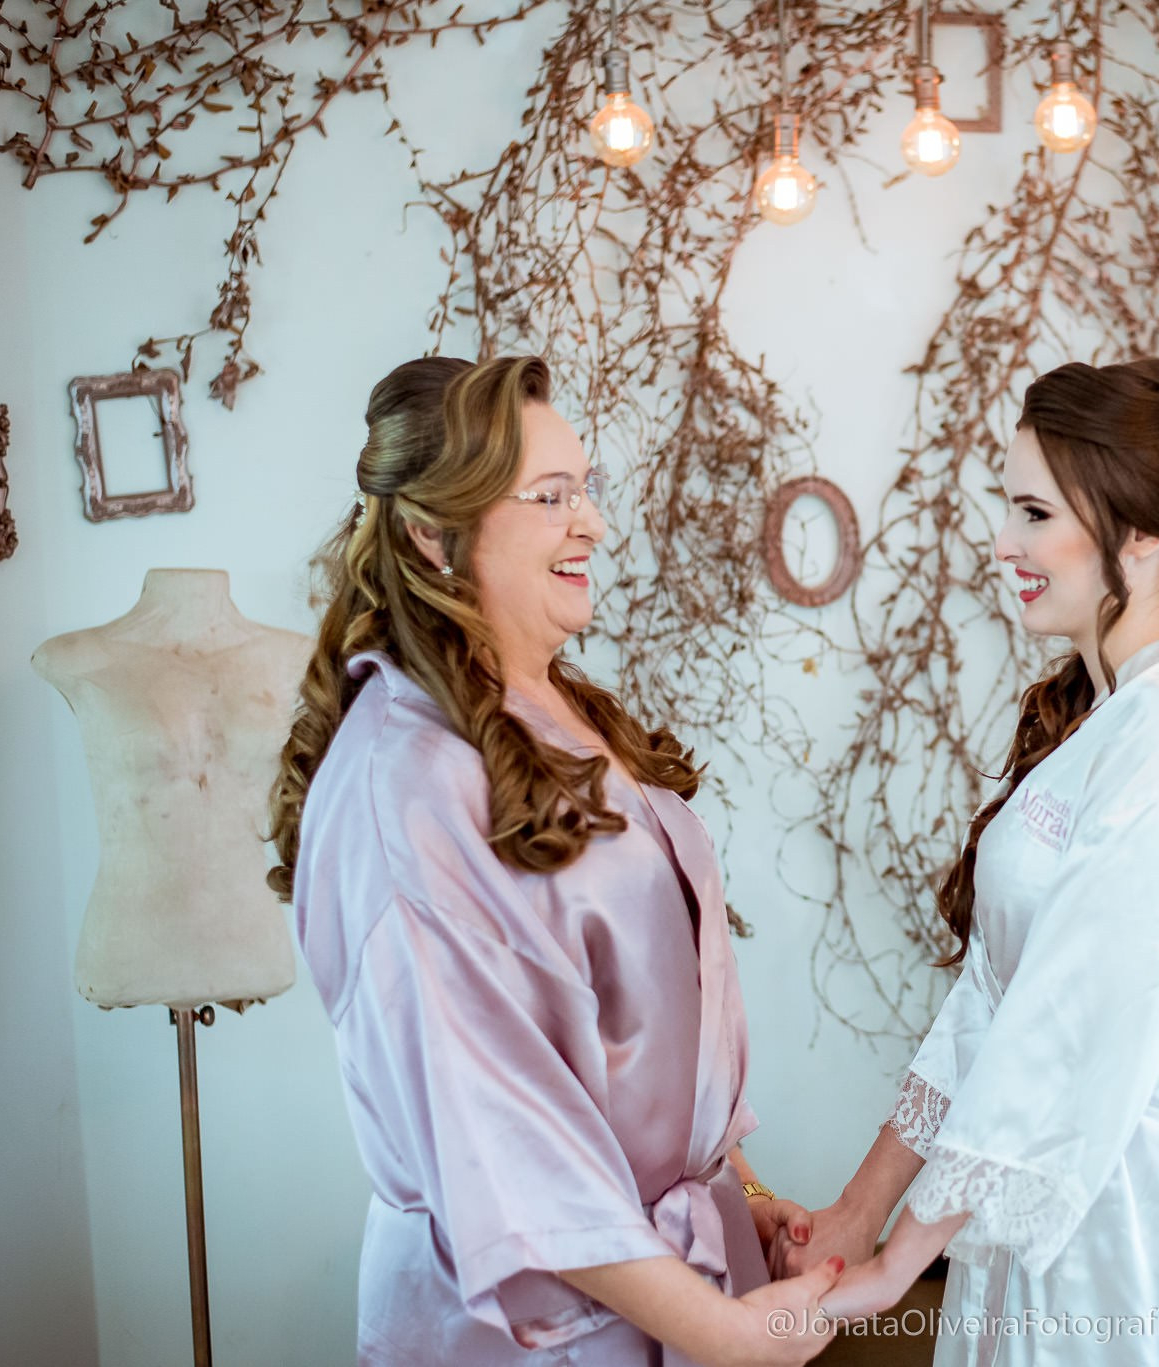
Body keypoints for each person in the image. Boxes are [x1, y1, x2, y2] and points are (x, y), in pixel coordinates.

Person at [267, 355, 839, 1366]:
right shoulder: (406, 783)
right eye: (551, 496)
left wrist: (735, 1190)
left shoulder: (558, 707)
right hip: (540, 1327)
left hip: (665, 1284)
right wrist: (725, 1333)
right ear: (432, 534)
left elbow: (636, 1023)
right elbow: (499, 1126)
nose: (594, 524)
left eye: (586, 489)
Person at [788, 358, 1159, 1365]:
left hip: (1128, 1220)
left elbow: (1071, 1015)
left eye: (1032, 512)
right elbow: (990, 1000)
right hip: (1042, 1196)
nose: (1002, 542)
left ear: (1139, 532)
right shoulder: (1112, 722)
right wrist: (860, 1210)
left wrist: (901, 1261)